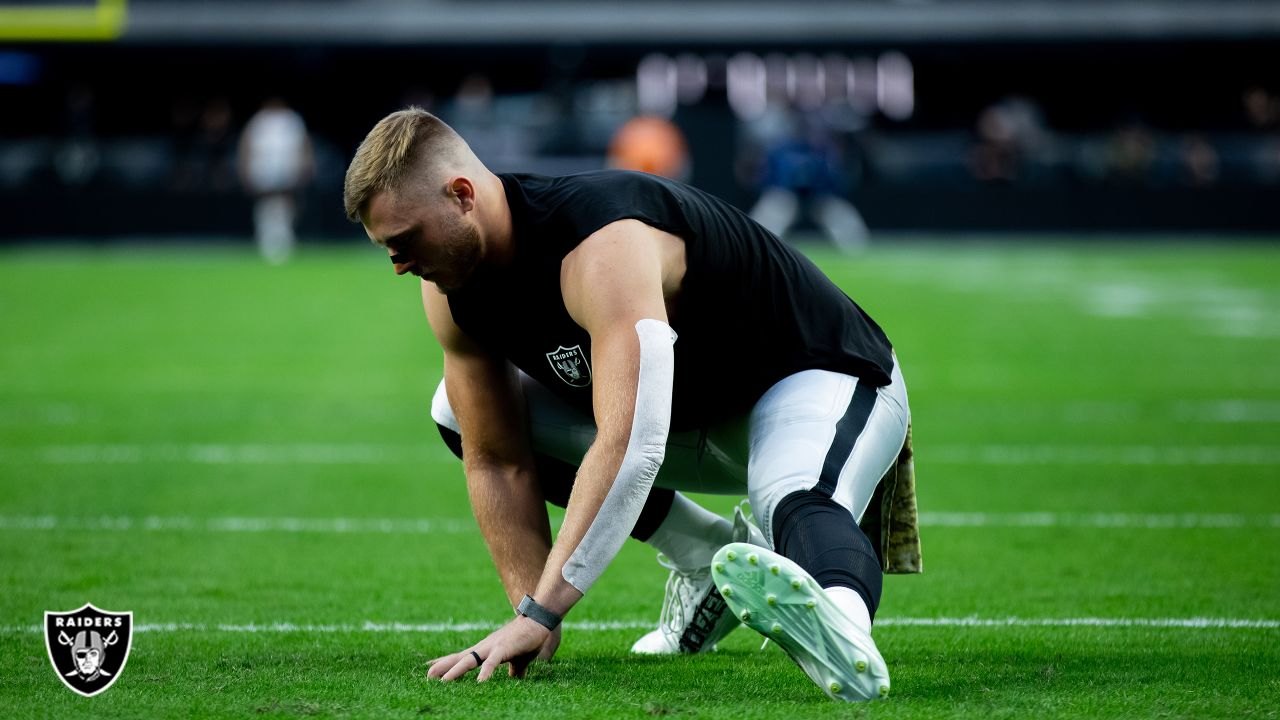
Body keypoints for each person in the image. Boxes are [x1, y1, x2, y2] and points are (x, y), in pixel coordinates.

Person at [342, 108, 921, 702]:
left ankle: (846, 629)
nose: (399, 264)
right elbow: (496, 459)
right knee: (454, 411)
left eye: (405, 241)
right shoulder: (450, 293)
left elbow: (632, 439)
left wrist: (542, 609)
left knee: (792, 496)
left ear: (462, 195)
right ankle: (702, 556)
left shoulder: (600, 239)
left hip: (816, 375)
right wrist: (531, 614)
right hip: (691, 417)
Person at [238, 97, 313, 264]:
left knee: (284, 208)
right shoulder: (258, 121)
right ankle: (267, 241)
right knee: (267, 208)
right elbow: (246, 145)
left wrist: (304, 169)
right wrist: (245, 170)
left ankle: (283, 241)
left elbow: (303, 145)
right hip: (263, 173)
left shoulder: (292, 120)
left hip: (287, 172)